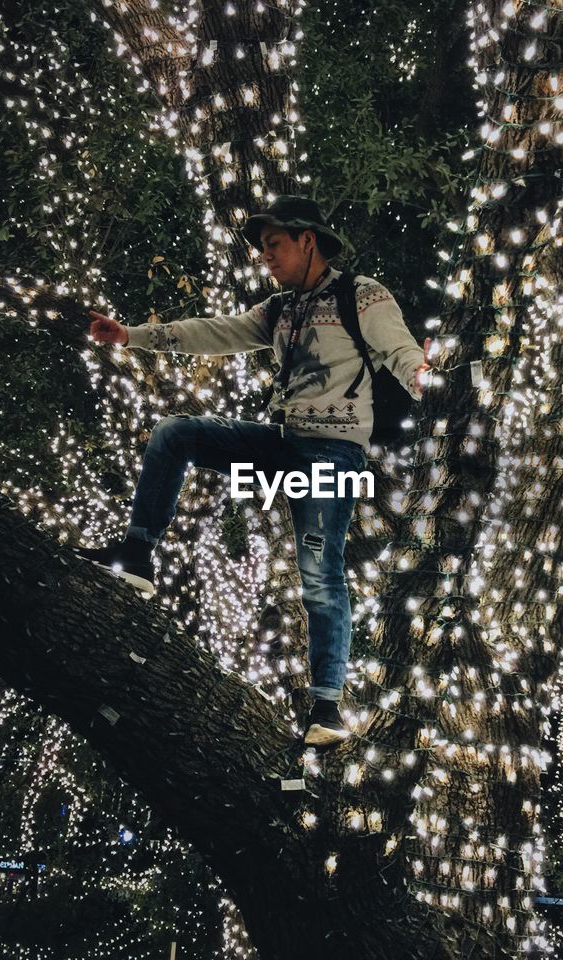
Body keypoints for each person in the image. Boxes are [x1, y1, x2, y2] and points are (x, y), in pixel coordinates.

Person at [80, 196, 431, 746]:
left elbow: (400, 350)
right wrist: (132, 336)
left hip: (333, 453)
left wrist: (423, 377)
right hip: (282, 444)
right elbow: (214, 332)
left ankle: (327, 708)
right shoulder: (279, 309)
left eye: (274, 245)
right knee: (176, 432)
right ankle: (137, 554)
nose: (265, 256)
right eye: (262, 248)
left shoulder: (361, 295)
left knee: (319, 569)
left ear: (307, 239)